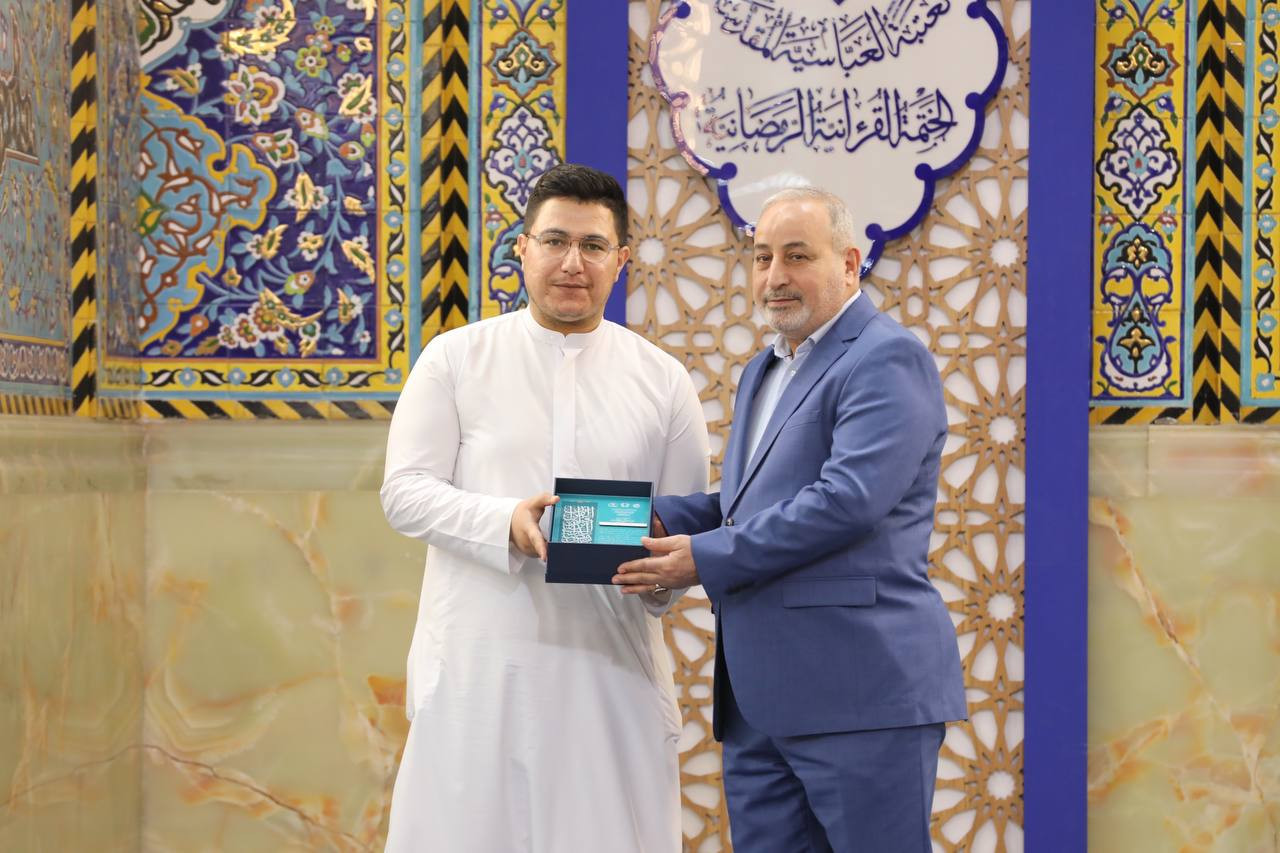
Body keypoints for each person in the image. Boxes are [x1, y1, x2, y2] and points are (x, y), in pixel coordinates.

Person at [614, 186, 966, 852]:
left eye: (797, 256)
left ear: (850, 264)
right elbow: (747, 504)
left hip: (861, 697)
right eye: (762, 257)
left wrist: (703, 558)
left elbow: (847, 499)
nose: (775, 276)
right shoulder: (763, 369)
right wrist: (639, 519)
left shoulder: (886, 357)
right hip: (758, 707)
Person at [380, 163, 710, 852]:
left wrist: (662, 576)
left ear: (622, 259)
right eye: (555, 241)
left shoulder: (663, 381)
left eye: (593, 245)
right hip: (477, 670)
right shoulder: (455, 360)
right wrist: (505, 522)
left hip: (609, 674)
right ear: (523, 248)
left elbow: (682, 524)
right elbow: (404, 491)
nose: (572, 263)